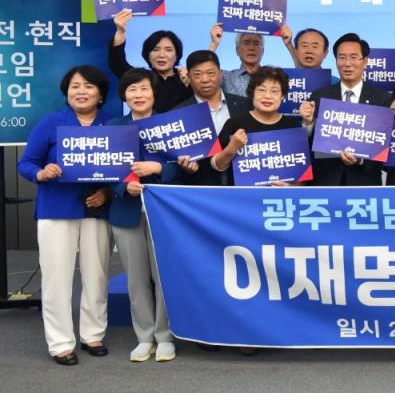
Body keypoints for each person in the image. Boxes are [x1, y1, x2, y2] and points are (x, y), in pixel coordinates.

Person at [17, 65, 115, 365]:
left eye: (88, 86)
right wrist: (41, 172)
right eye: (75, 86)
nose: (81, 91)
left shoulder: (112, 124)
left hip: (96, 210)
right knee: (56, 278)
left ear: (100, 94)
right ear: (66, 92)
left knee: (97, 275)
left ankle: (92, 334)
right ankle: (60, 342)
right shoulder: (50, 123)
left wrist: (107, 192)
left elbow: (122, 167)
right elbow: (26, 163)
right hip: (56, 209)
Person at [106, 68, 175, 362]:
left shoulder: (169, 125)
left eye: (144, 88)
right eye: (132, 89)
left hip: (163, 213)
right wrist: (123, 186)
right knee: (136, 278)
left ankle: (165, 336)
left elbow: (182, 166)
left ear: (154, 93)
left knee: (163, 276)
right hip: (126, 210)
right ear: (124, 95)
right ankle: (144, 337)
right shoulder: (112, 126)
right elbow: (102, 167)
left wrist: (159, 168)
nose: (138, 95)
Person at [300, 33, 394, 186]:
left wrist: (361, 158)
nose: (347, 63)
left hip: (363, 184)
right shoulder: (319, 96)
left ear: (365, 62)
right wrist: (308, 123)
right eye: (342, 57)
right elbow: (307, 146)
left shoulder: (382, 99)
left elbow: (387, 148)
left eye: (354, 57)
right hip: (326, 182)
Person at [211, 66, 303, 184]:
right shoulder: (234, 124)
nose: (267, 96)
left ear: (283, 96)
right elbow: (215, 165)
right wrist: (231, 149)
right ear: (252, 93)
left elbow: (303, 172)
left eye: (274, 91)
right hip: (241, 195)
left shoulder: (293, 127)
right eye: (261, 90)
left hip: (281, 195)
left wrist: (291, 188)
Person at [175, 50, 251, 186]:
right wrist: (186, 167)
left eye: (211, 73)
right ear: (189, 77)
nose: (205, 79)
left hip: (243, 185)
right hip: (201, 187)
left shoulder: (246, 105)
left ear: (220, 73)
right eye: (197, 74)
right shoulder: (178, 114)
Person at [107, 9, 191, 113]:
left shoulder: (187, 78)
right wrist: (120, 32)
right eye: (155, 50)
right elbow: (117, 63)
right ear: (148, 55)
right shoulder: (140, 77)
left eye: (168, 50)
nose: (161, 55)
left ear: (177, 54)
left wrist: (190, 82)